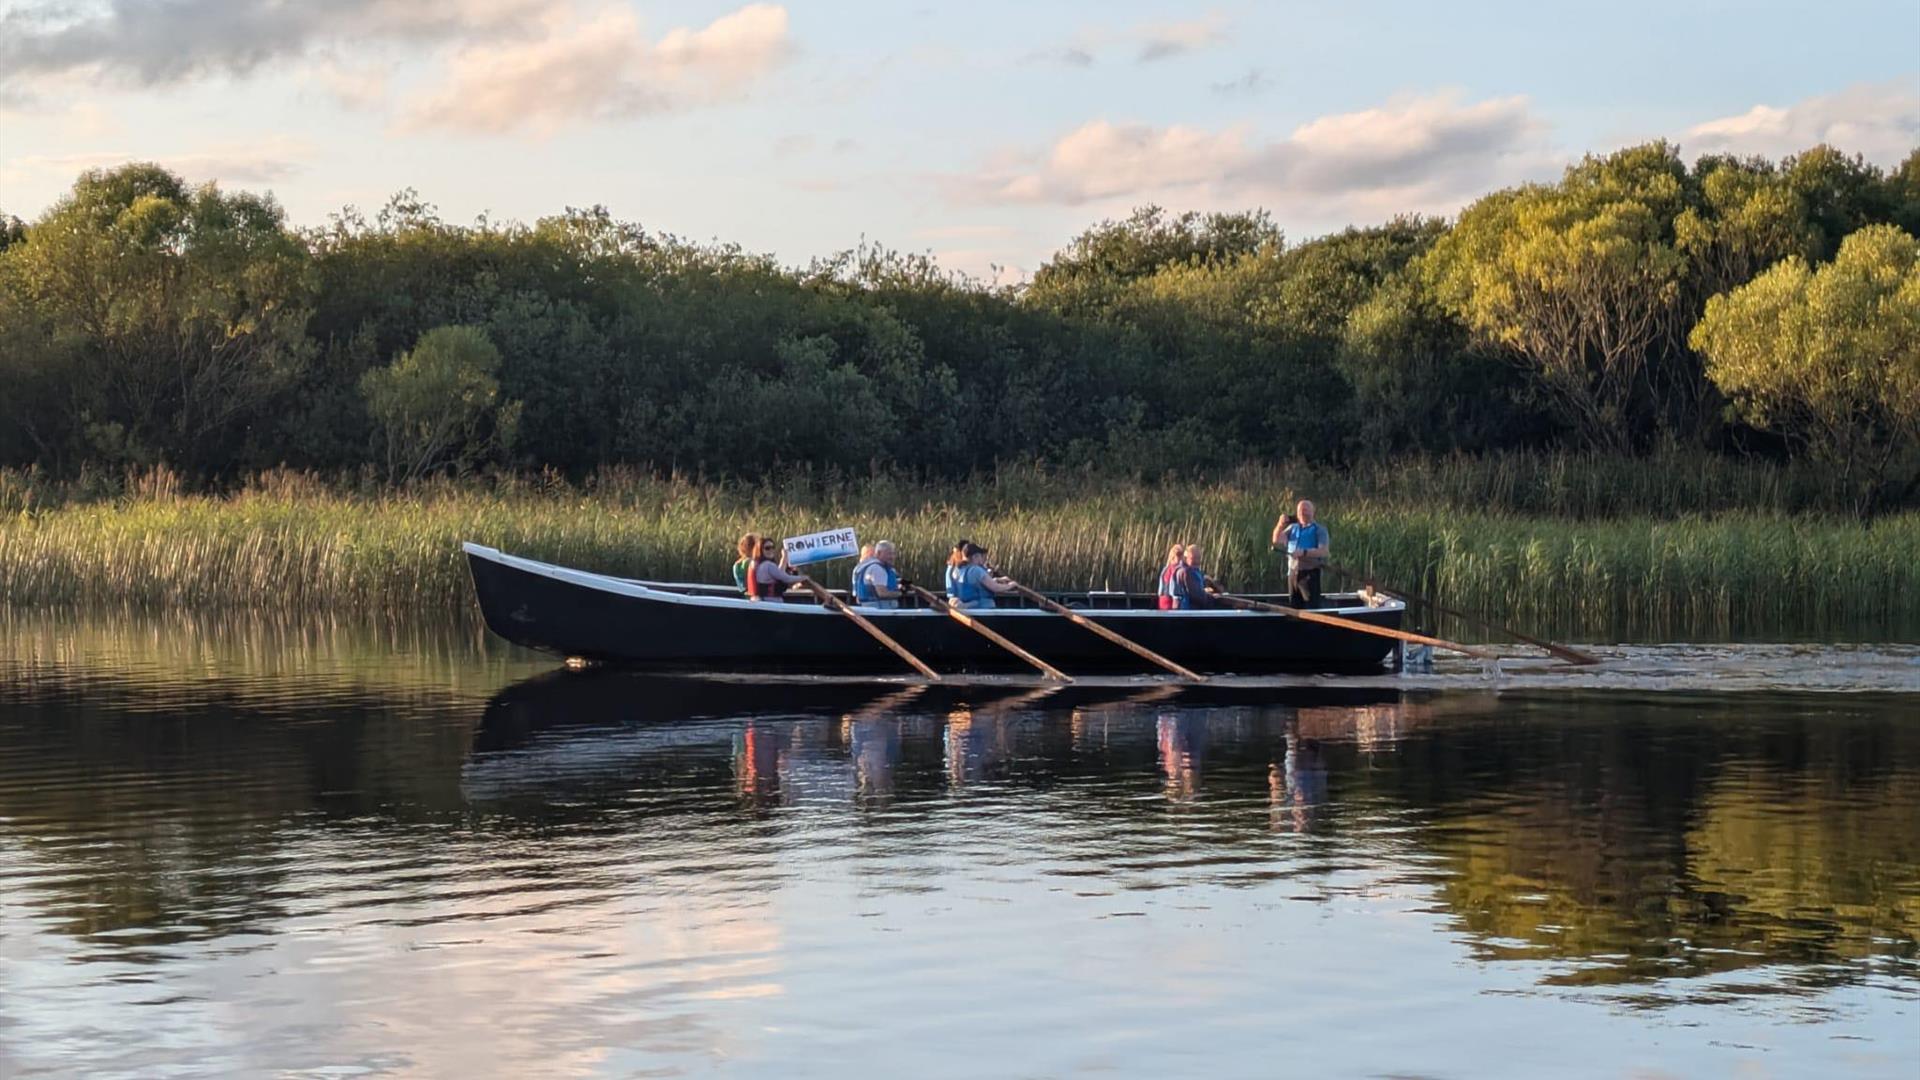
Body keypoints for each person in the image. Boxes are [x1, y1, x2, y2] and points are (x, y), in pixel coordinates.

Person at [1271, 499, 1330, 607]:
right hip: (1293, 574)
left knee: (1311, 607)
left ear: (1312, 512)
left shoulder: (1319, 530)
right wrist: (1280, 525)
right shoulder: (1292, 528)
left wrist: (1304, 552)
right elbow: (1276, 540)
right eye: (1300, 511)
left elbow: (1323, 551)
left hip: (1309, 574)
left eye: (1305, 510)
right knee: (1294, 607)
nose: (1302, 513)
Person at [945, 540, 1015, 611]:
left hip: (970, 607)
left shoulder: (958, 569)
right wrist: (1011, 585)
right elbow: (995, 587)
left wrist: (997, 580)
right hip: (984, 608)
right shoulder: (976, 570)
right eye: (981, 556)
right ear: (975, 556)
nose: (982, 558)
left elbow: (980, 584)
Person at [747, 536, 804, 602]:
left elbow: (779, 573)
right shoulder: (768, 565)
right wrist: (804, 578)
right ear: (760, 550)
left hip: (760, 600)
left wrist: (784, 557)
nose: (771, 550)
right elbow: (786, 578)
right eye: (767, 548)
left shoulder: (757, 563)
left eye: (773, 547)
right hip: (771, 601)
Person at [850, 540, 903, 608]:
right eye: (889, 554)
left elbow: (894, 581)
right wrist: (900, 593)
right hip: (878, 608)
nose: (892, 557)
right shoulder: (877, 569)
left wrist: (907, 585)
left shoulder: (870, 565)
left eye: (893, 554)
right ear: (878, 553)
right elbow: (882, 593)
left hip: (867, 607)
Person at [1177, 543, 1217, 609]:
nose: (1197, 561)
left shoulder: (1194, 570)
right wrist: (1210, 596)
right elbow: (1196, 596)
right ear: (1186, 558)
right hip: (1189, 610)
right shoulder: (1186, 572)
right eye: (1194, 558)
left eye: (1198, 558)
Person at [1156, 544, 1186, 610]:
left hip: (1162, 602)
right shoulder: (1179, 570)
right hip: (1172, 603)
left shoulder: (1165, 569)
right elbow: (1176, 592)